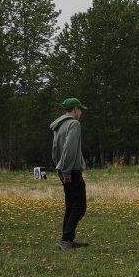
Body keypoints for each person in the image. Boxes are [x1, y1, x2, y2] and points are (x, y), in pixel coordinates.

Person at [50, 97, 87, 249]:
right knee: (79, 206)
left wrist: (60, 169)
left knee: (71, 205)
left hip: (63, 169)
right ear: (75, 109)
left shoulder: (59, 125)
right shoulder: (74, 124)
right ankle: (66, 240)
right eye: (80, 109)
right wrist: (66, 172)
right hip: (70, 171)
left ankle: (67, 239)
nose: (81, 112)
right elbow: (69, 149)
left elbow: (55, 151)